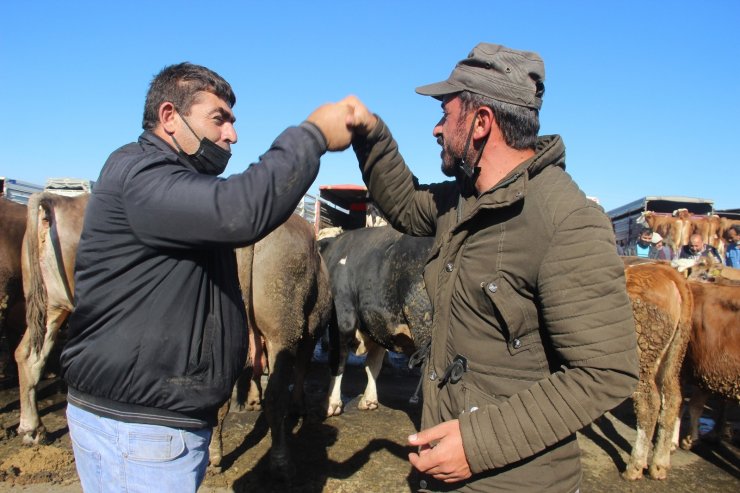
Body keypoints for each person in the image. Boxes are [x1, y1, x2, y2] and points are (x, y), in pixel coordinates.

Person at [345, 43, 638, 492]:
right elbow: (404, 204)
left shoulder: (566, 220)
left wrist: (477, 444)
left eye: (445, 114)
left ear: (481, 123)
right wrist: (369, 132)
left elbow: (605, 372)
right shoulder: (461, 202)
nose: (437, 129)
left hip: (516, 481)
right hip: (445, 471)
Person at [59, 62, 356, 493]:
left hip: (146, 423)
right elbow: (240, 210)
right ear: (169, 117)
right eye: (219, 119)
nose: (231, 135)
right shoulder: (142, 175)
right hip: (140, 430)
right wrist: (312, 135)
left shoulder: (156, 177)